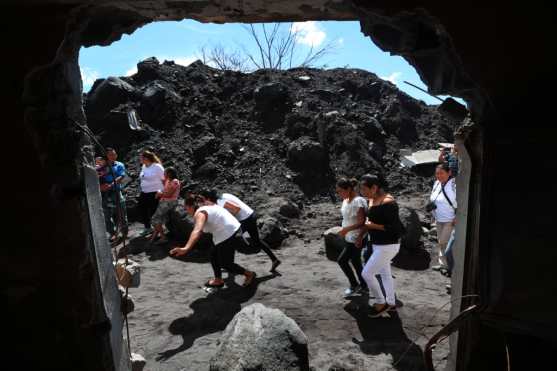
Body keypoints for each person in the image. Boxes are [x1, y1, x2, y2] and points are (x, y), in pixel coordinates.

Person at [170, 195, 256, 288]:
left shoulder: (200, 213)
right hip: (230, 229)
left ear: (191, 206)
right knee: (213, 254)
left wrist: (186, 248)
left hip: (227, 233)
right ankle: (218, 279)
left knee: (226, 263)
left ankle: (249, 274)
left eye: (186, 209)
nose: (187, 212)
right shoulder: (207, 205)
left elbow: (197, 230)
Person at [199, 190, 282, 272]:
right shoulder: (224, 195)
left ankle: (230, 264)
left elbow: (236, 209)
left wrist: (230, 220)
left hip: (245, 220)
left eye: (204, 200)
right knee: (255, 241)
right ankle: (274, 260)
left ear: (209, 198)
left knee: (235, 239)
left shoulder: (221, 202)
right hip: (250, 215)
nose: (203, 202)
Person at [358, 174, 404, 318]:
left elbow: (395, 228)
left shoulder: (389, 203)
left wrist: (373, 225)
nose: (362, 192)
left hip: (388, 245)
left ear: (375, 187)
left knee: (367, 273)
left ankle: (380, 302)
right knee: (385, 274)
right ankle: (390, 302)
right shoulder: (372, 199)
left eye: (365, 189)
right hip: (378, 244)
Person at [335, 178, 368, 297]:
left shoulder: (358, 201)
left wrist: (347, 230)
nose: (338, 194)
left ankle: (354, 285)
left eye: (340, 191)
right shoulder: (346, 200)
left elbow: (362, 222)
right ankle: (364, 286)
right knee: (356, 262)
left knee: (342, 260)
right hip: (348, 236)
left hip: (356, 237)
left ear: (348, 189)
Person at [429, 163, 457, 270]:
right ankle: (443, 264)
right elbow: (433, 198)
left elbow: (461, 201)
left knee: (444, 241)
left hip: (450, 219)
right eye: (437, 174)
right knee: (441, 242)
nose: (439, 176)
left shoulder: (454, 185)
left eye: (441, 173)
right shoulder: (436, 183)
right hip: (438, 218)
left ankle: (449, 265)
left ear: (449, 173)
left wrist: (457, 217)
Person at [100, 148, 129, 243]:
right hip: (104, 193)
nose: (113, 156)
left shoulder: (119, 165)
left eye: (114, 154)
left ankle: (124, 232)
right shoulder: (102, 166)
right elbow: (97, 176)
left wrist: (111, 184)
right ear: (106, 156)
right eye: (111, 154)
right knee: (107, 215)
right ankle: (112, 233)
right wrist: (101, 186)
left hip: (116, 191)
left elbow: (121, 176)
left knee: (121, 212)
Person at [150, 167, 181, 244]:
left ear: (169, 173)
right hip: (165, 201)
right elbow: (165, 190)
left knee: (154, 219)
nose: (164, 174)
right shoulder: (168, 181)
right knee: (158, 219)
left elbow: (169, 194)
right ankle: (156, 234)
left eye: (165, 173)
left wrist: (160, 194)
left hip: (170, 202)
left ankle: (163, 237)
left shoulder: (175, 181)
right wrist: (160, 192)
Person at [138, 150, 164, 236]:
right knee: (142, 209)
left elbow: (164, 179)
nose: (140, 159)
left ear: (146, 158)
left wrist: (162, 191)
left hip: (155, 192)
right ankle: (148, 228)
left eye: (141, 158)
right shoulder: (144, 166)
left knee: (154, 212)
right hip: (144, 192)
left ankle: (158, 231)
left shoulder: (157, 167)